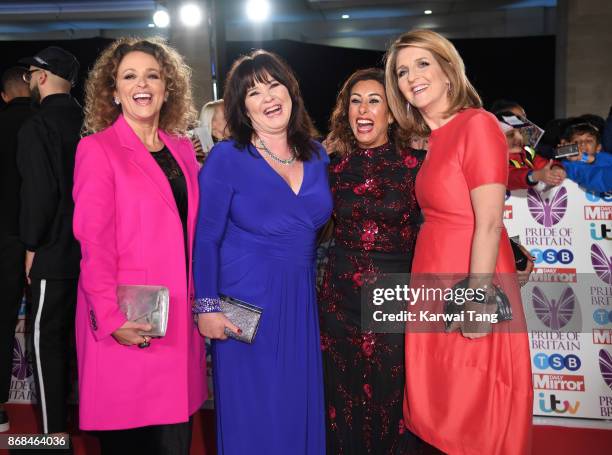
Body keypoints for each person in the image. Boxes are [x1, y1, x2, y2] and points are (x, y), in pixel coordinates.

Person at [385, 30, 532, 454]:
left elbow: (488, 223)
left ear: (449, 71)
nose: (411, 77)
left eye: (423, 64)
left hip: (469, 283)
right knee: (439, 411)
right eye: (401, 71)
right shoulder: (436, 138)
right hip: (433, 281)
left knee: (472, 412)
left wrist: (479, 297)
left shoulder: (479, 125)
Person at [193, 49, 332, 454]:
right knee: (254, 413)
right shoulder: (226, 158)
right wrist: (207, 307)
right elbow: (205, 239)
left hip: (301, 301)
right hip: (244, 307)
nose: (268, 97)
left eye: (274, 85)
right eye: (253, 93)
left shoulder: (317, 154)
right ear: (242, 108)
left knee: (296, 406)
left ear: (291, 91)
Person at [73, 37, 206, 454]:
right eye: (129, 76)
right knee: (133, 442)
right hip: (129, 323)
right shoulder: (97, 150)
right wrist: (111, 318)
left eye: (152, 75)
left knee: (175, 439)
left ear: (168, 87)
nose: (142, 84)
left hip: (177, 324)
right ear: (113, 90)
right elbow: (93, 243)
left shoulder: (182, 149)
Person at [318, 68, 424, 454]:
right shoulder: (330, 167)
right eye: (355, 101)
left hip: (395, 293)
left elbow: (457, 216)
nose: (363, 109)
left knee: (391, 395)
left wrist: (510, 250)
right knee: (341, 397)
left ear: (392, 113)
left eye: (374, 101)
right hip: (339, 294)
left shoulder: (419, 165)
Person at [16, 46, 83, 437]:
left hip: (53, 256)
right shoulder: (93, 124)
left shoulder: (37, 126)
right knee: (86, 352)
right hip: (94, 257)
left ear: (40, 78)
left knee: (46, 351)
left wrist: (30, 244)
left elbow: (39, 195)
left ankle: (48, 442)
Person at [0, 66, 34, 433]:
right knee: (53, 328)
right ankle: (60, 420)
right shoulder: (49, 124)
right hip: (50, 241)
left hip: (4, 239)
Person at [496, 111, 566, 190]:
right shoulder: (496, 160)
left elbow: (545, 164)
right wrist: (536, 176)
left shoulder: (527, 152)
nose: (519, 138)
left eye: (520, 132)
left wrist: (556, 169)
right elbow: (511, 177)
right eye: (510, 135)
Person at [561, 121, 612, 193]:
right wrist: (586, 159)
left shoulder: (604, 157)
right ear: (569, 146)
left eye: (589, 141)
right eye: (576, 142)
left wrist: (590, 159)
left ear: (598, 148)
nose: (582, 143)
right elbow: (597, 180)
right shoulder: (569, 164)